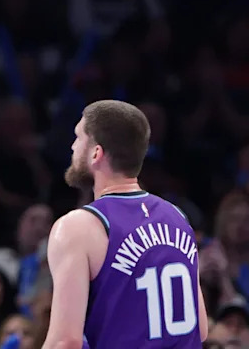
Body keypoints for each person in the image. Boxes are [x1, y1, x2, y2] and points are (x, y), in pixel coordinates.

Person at [42, 100, 209, 348]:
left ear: (96, 152)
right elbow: (201, 329)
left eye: (78, 137)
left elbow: (65, 342)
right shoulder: (178, 218)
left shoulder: (78, 227)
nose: (73, 146)